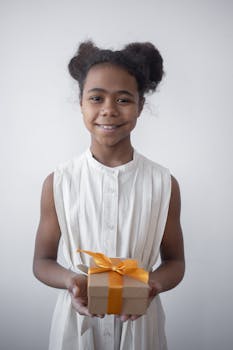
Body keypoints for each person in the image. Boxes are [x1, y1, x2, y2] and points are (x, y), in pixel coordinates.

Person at [33, 40, 185, 350]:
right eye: (97, 98)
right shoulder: (59, 182)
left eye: (124, 99)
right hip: (76, 331)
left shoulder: (162, 183)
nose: (109, 110)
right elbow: (42, 261)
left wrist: (151, 285)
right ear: (81, 104)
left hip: (141, 329)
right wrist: (70, 281)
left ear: (140, 106)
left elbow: (176, 261)